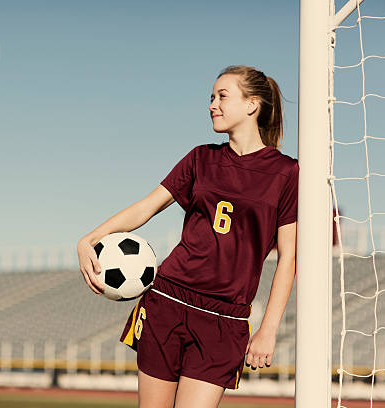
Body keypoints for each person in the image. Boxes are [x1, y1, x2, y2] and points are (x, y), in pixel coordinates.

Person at [76, 65, 299, 407]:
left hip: (226, 319)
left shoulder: (286, 172)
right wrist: (88, 239)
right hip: (168, 301)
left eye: (222, 96)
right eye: (211, 97)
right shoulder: (201, 158)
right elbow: (146, 208)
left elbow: (288, 258)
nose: (213, 104)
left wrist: (267, 329)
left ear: (252, 104)